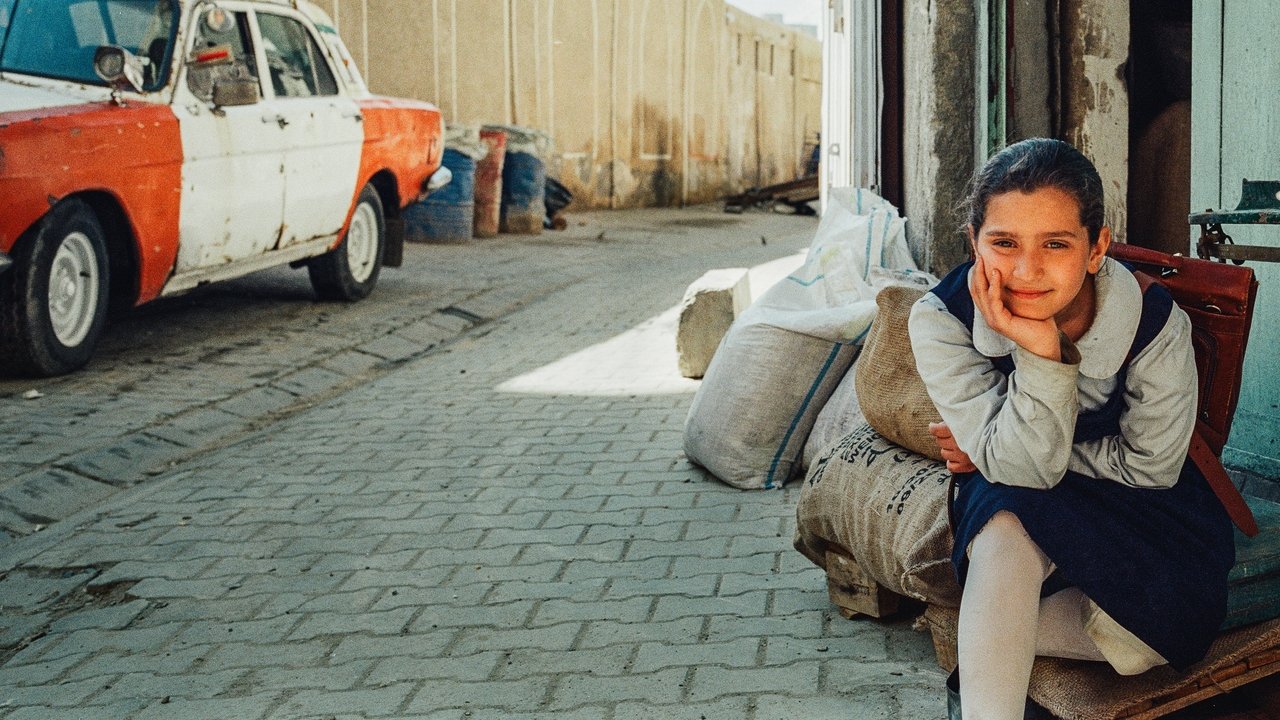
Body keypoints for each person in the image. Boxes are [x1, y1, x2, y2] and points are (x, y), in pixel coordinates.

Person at [907, 138, 1235, 720]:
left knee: (1170, 628)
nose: (1027, 271)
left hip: (1142, 501)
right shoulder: (941, 319)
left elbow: (1151, 466)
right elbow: (1022, 471)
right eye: (1004, 243)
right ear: (973, 241)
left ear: (1096, 248)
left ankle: (993, 631)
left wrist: (996, 449)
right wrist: (1040, 352)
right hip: (1013, 492)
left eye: (1055, 244)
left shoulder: (1154, 322)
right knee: (1006, 518)